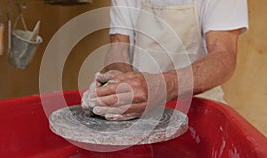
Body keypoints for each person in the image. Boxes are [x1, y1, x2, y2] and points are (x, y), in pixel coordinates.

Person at [82, 0, 248, 121]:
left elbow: (223, 57)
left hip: (201, 110)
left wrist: (163, 86)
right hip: (142, 111)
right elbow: (118, 46)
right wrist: (117, 87)